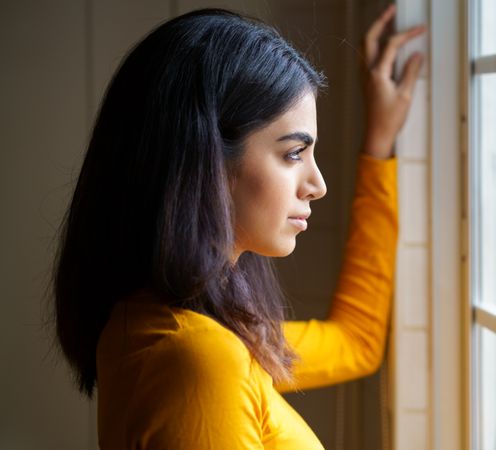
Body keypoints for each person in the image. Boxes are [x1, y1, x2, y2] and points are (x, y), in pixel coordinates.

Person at [52, 5, 424, 449]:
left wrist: (378, 147)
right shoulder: (198, 358)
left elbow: (355, 342)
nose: (317, 185)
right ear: (207, 157)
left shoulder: (169, 321)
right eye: (292, 154)